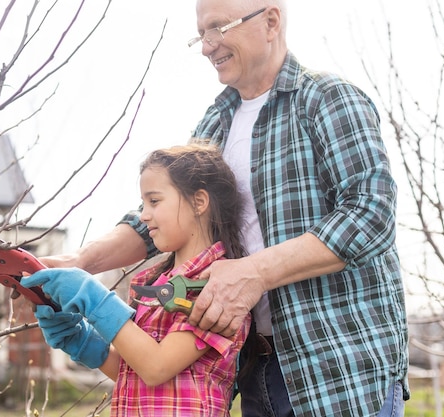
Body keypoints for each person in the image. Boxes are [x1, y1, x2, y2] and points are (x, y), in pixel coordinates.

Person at [39, 0, 410, 416]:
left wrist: (253, 273)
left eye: (219, 28)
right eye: (201, 33)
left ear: (271, 22)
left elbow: (371, 214)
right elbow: (160, 221)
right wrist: (74, 265)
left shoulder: (326, 99)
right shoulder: (215, 123)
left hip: (335, 368)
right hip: (255, 371)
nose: (206, 46)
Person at [22, 144, 251, 416]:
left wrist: (93, 297)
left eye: (154, 201)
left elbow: (157, 367)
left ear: (199, 202)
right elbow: (137, 369)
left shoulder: (221, 285)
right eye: (143, 204)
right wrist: (83, 342)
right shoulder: (153, 285)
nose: (143, 215)